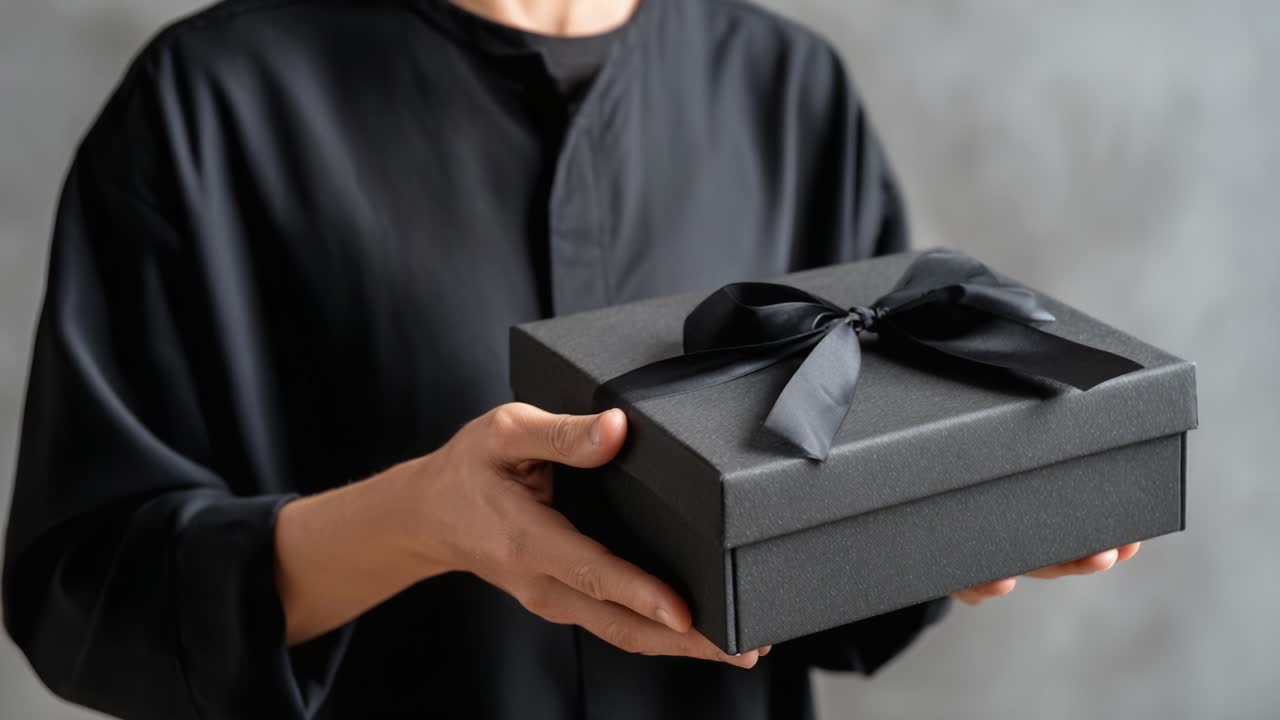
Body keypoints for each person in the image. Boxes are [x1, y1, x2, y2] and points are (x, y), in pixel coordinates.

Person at [2, 1, 1140, 718]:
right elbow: (84, 596)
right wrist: (413, 520)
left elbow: (829, 573)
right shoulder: (208, 100)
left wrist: (953, 522)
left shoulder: (787, 91)